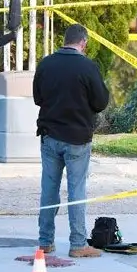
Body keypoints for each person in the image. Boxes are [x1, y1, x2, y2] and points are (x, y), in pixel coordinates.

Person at [32, 24, 110, 258]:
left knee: (49, 189)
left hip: (50, 136)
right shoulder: (87, 67)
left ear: (64, 40)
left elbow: (38, 98)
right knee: (76, 190)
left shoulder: (46, 64)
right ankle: (77, 244)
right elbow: (101, 102)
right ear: (83, 42)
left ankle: (45, 241)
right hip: (77, 138)